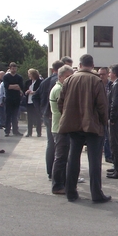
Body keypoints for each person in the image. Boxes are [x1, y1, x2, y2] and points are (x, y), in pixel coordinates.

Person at [57, 54, 111, 203]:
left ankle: (71, 192)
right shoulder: (96, 80)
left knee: (73, 158)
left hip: (73, 124)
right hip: (92, 124)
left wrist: (68, 116)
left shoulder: (68, 80)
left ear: (80, 65)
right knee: (94, 160)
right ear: (92, 66)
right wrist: (103, 122)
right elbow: (102, 106)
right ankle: (96, 193)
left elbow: (60, 102)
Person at [34, 60, 65, 180]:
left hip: (47, 115)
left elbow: (35, 96)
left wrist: (41, 112)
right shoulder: (57, 83)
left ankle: (50, 171)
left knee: (50, 144)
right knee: (59, 145)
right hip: (54, 115)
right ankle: (56, 173)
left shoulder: (45, 81)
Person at [49, 65, 75, 194]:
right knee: (61, 157)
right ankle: (58, 185)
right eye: (67, 77)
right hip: (60, 127)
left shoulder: (60, 87)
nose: (70, 79)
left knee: (63, 156)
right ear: (60, 77)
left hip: (59, 126)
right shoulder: (59, 89)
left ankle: (61, 183)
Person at [2, 62, 25, 137]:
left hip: (16, 98)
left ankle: (15, 130)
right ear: (10, 68)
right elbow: (7, 87)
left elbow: (21, 87)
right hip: (8, 98)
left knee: (15, 116)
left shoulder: (19, 77)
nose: (13, 69)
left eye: (15, 68)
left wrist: (13, 86)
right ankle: (7, 131)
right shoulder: (6, 77)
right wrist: (16, 86)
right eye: (12, 68)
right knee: (8, 115)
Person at [24, 68, 42, 137]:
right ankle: (29, 132)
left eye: (30, 74)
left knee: (38, 117)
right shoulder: (28, 82)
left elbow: (40, 91)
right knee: (29, 118)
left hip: (36, 102)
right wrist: (26, 92)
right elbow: (24, 90)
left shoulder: (40, 82)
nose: (29, 75)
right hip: (29, 101)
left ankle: (38, 132)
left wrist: (34, 92)